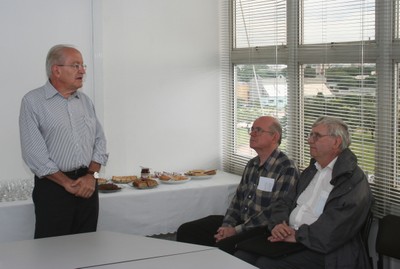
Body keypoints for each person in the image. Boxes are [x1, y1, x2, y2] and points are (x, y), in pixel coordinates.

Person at [235, 116, 373, 269]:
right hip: (292, 236)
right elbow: (284, 202)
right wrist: (278, 225)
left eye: (317, 136)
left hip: (326, 249)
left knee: (266, 264)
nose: (309, 140)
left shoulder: (352, 180)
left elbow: (336, 227)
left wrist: (297, 236)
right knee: (242, 255)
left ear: (336, 142)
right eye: (311, 134)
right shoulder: (311, 171)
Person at [19, 44, 109, 239]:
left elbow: (100, 143)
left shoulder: (85, 101)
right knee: (53, 253)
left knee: (86, 248)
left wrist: (91, 177)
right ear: (56, 70)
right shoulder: (33, 102)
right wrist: (66, 183)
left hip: (88, 186)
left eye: (83, 65)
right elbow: (34, 154)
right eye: (76, 65)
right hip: (54, 189)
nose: (83, 71)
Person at [176, 116, 299, 254]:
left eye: (258, 130)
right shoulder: (252, 164)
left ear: (274, 137)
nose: (252, 134)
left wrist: (235, 230)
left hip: (261, 228)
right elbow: (237, 200)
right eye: (252, 130)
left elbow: (275, 210)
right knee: (187, 230)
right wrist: (227, 226)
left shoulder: (286, 167)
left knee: (223, 246)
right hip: (240, 223)